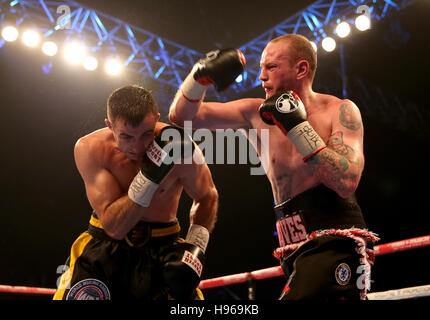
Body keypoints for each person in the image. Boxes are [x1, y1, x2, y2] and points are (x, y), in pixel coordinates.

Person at [168, 35, 379, 300]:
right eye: (261, 68)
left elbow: (346, 181)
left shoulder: (339, 111)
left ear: (301, 69)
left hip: (337, 241)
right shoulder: (254, 114)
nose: (261, 77)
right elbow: (182, 117)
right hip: (291, 246)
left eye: (271, 67)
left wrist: (297, 127)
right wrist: (199, 77)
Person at [54, 85, 218, 300]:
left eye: (146, 134)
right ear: (109, 125)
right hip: (103, 248)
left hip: (164, 249)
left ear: (157, 119)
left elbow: (207, 196)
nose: (138, 146)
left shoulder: (182, 148)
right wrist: (150, 176)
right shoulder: (90, 148)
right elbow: (115, 227)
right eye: (127, 137)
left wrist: (195, 249)